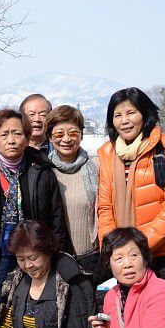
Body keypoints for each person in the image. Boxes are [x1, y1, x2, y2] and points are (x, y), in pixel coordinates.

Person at [97, 87, 165, 319]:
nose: (124, 121)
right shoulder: (108, 154)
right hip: (128, 257)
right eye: (117, 115)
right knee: (133, 320)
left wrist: (139, 246)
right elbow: (105, 207)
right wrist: (114, 250)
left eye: (131, 113)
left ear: (146, 114)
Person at [0, 109, 67, 308]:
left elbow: (56, 220)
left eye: (17, 133)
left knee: (33, 311)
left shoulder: (41, 172)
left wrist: (51, 257)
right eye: (4, 134)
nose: (11, 140)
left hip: (36, 259)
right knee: (0, 312)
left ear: (27, 138)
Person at [45, 105, 100, 276]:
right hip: (55, 258)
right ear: (49, 137)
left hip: (91, 256)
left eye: (73, 133)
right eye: (59, 134)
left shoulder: (96, 168)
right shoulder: (44, 171)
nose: (66, 139)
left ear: (82, 135)